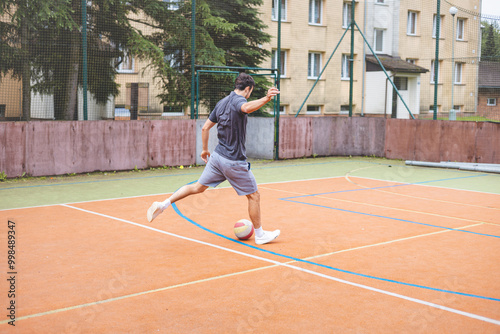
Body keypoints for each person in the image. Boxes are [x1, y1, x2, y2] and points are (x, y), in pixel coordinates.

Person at [147, 73, 280, 245]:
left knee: (197, 187)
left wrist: (204, 150)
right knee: (254, 196)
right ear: (248, 89)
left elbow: (205, 128)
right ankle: (260, 235)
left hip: (217, 158)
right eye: (250, 92)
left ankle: (164, 203)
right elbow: (246, 108)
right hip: (233, 160)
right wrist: (267, 98)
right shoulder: (239, 102)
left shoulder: (222, 102)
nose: (249, 95)